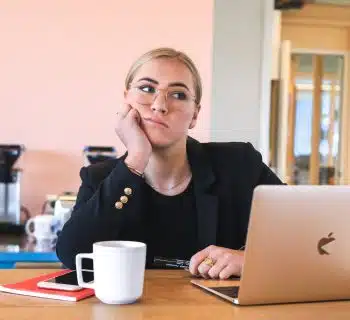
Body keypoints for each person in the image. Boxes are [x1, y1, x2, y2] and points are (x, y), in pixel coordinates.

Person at [56, 47, 283, 280]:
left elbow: (307, 236)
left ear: (195, 114)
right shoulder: (100, 178)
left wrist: (252, 260)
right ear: (126, 100)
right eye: (147, 89)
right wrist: (135, 160)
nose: (159, 105)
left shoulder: (240, 164)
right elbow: (72, 254)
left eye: (178, 94)